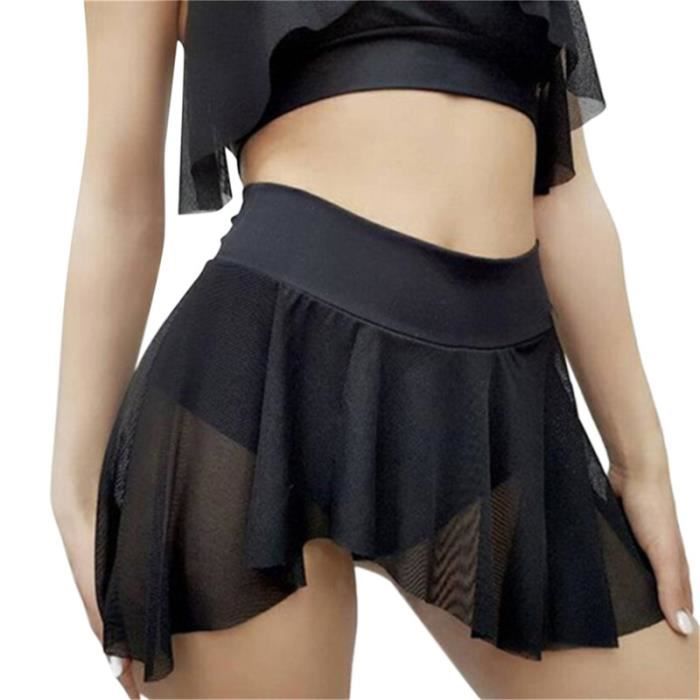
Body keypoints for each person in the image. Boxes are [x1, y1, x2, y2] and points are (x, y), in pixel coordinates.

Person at [51, 1, 698, 698]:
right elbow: (120, 195)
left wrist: (643, 464)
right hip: (263, 386)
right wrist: (75, 489)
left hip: (497, 401)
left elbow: (565, 190)